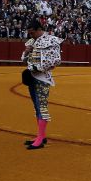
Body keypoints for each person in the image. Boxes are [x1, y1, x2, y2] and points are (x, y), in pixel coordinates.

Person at [20, 19, 62, 150]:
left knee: (42, 107)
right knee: (37, 107)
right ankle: (41, 136)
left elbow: (55, 60)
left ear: (39, 29)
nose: (30, 36)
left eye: (32, 33)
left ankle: (40, 138)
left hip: (43, 78)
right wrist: (26, 52)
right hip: (32, 77)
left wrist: (35, 68)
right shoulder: (32, 41)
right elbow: (23, 60)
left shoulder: (51, 40)